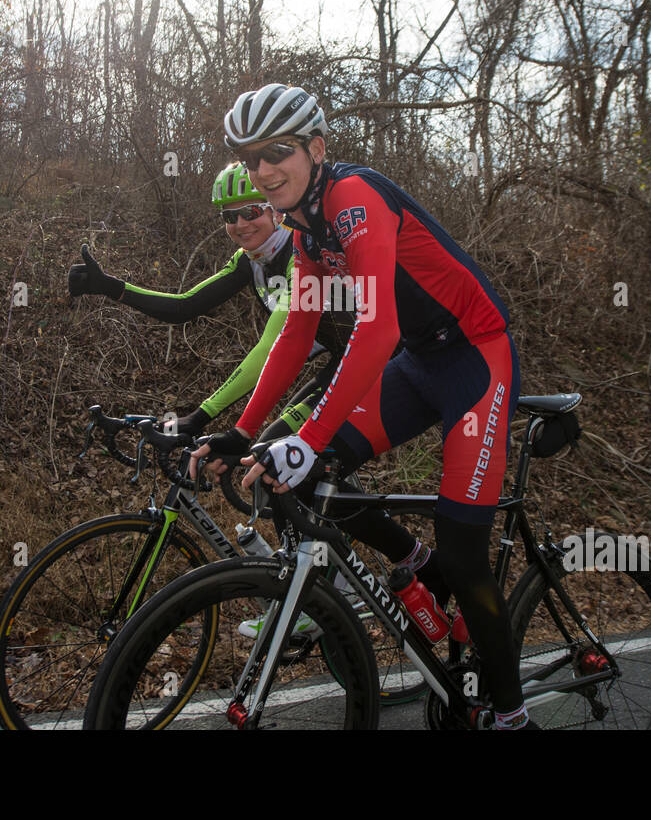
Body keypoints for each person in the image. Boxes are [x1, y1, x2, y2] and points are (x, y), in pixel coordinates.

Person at [192, 83, 530, 729]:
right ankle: (413, 562)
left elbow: (373, 330)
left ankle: (513, 716)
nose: (261, 170)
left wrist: (310, 434)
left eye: (276, 152)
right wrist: (241, 432)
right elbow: (297, 328)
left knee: (466, 556)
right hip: (417, 361)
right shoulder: (302, 227)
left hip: (474, 358)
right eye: (250, 157)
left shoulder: (353, 197)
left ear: (316, 149)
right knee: (315, 479)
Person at [67, 162, 349, 441]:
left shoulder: (303, 255)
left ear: (276, 211)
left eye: (250, 211)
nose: (240, 225)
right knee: (276, 444)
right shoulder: (248, 260)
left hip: (374, 359)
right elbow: (185, 306)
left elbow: (270, 349)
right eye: (229, 216)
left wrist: (199, 417)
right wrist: (111, 287)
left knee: (278, 443)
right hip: (341, 360)